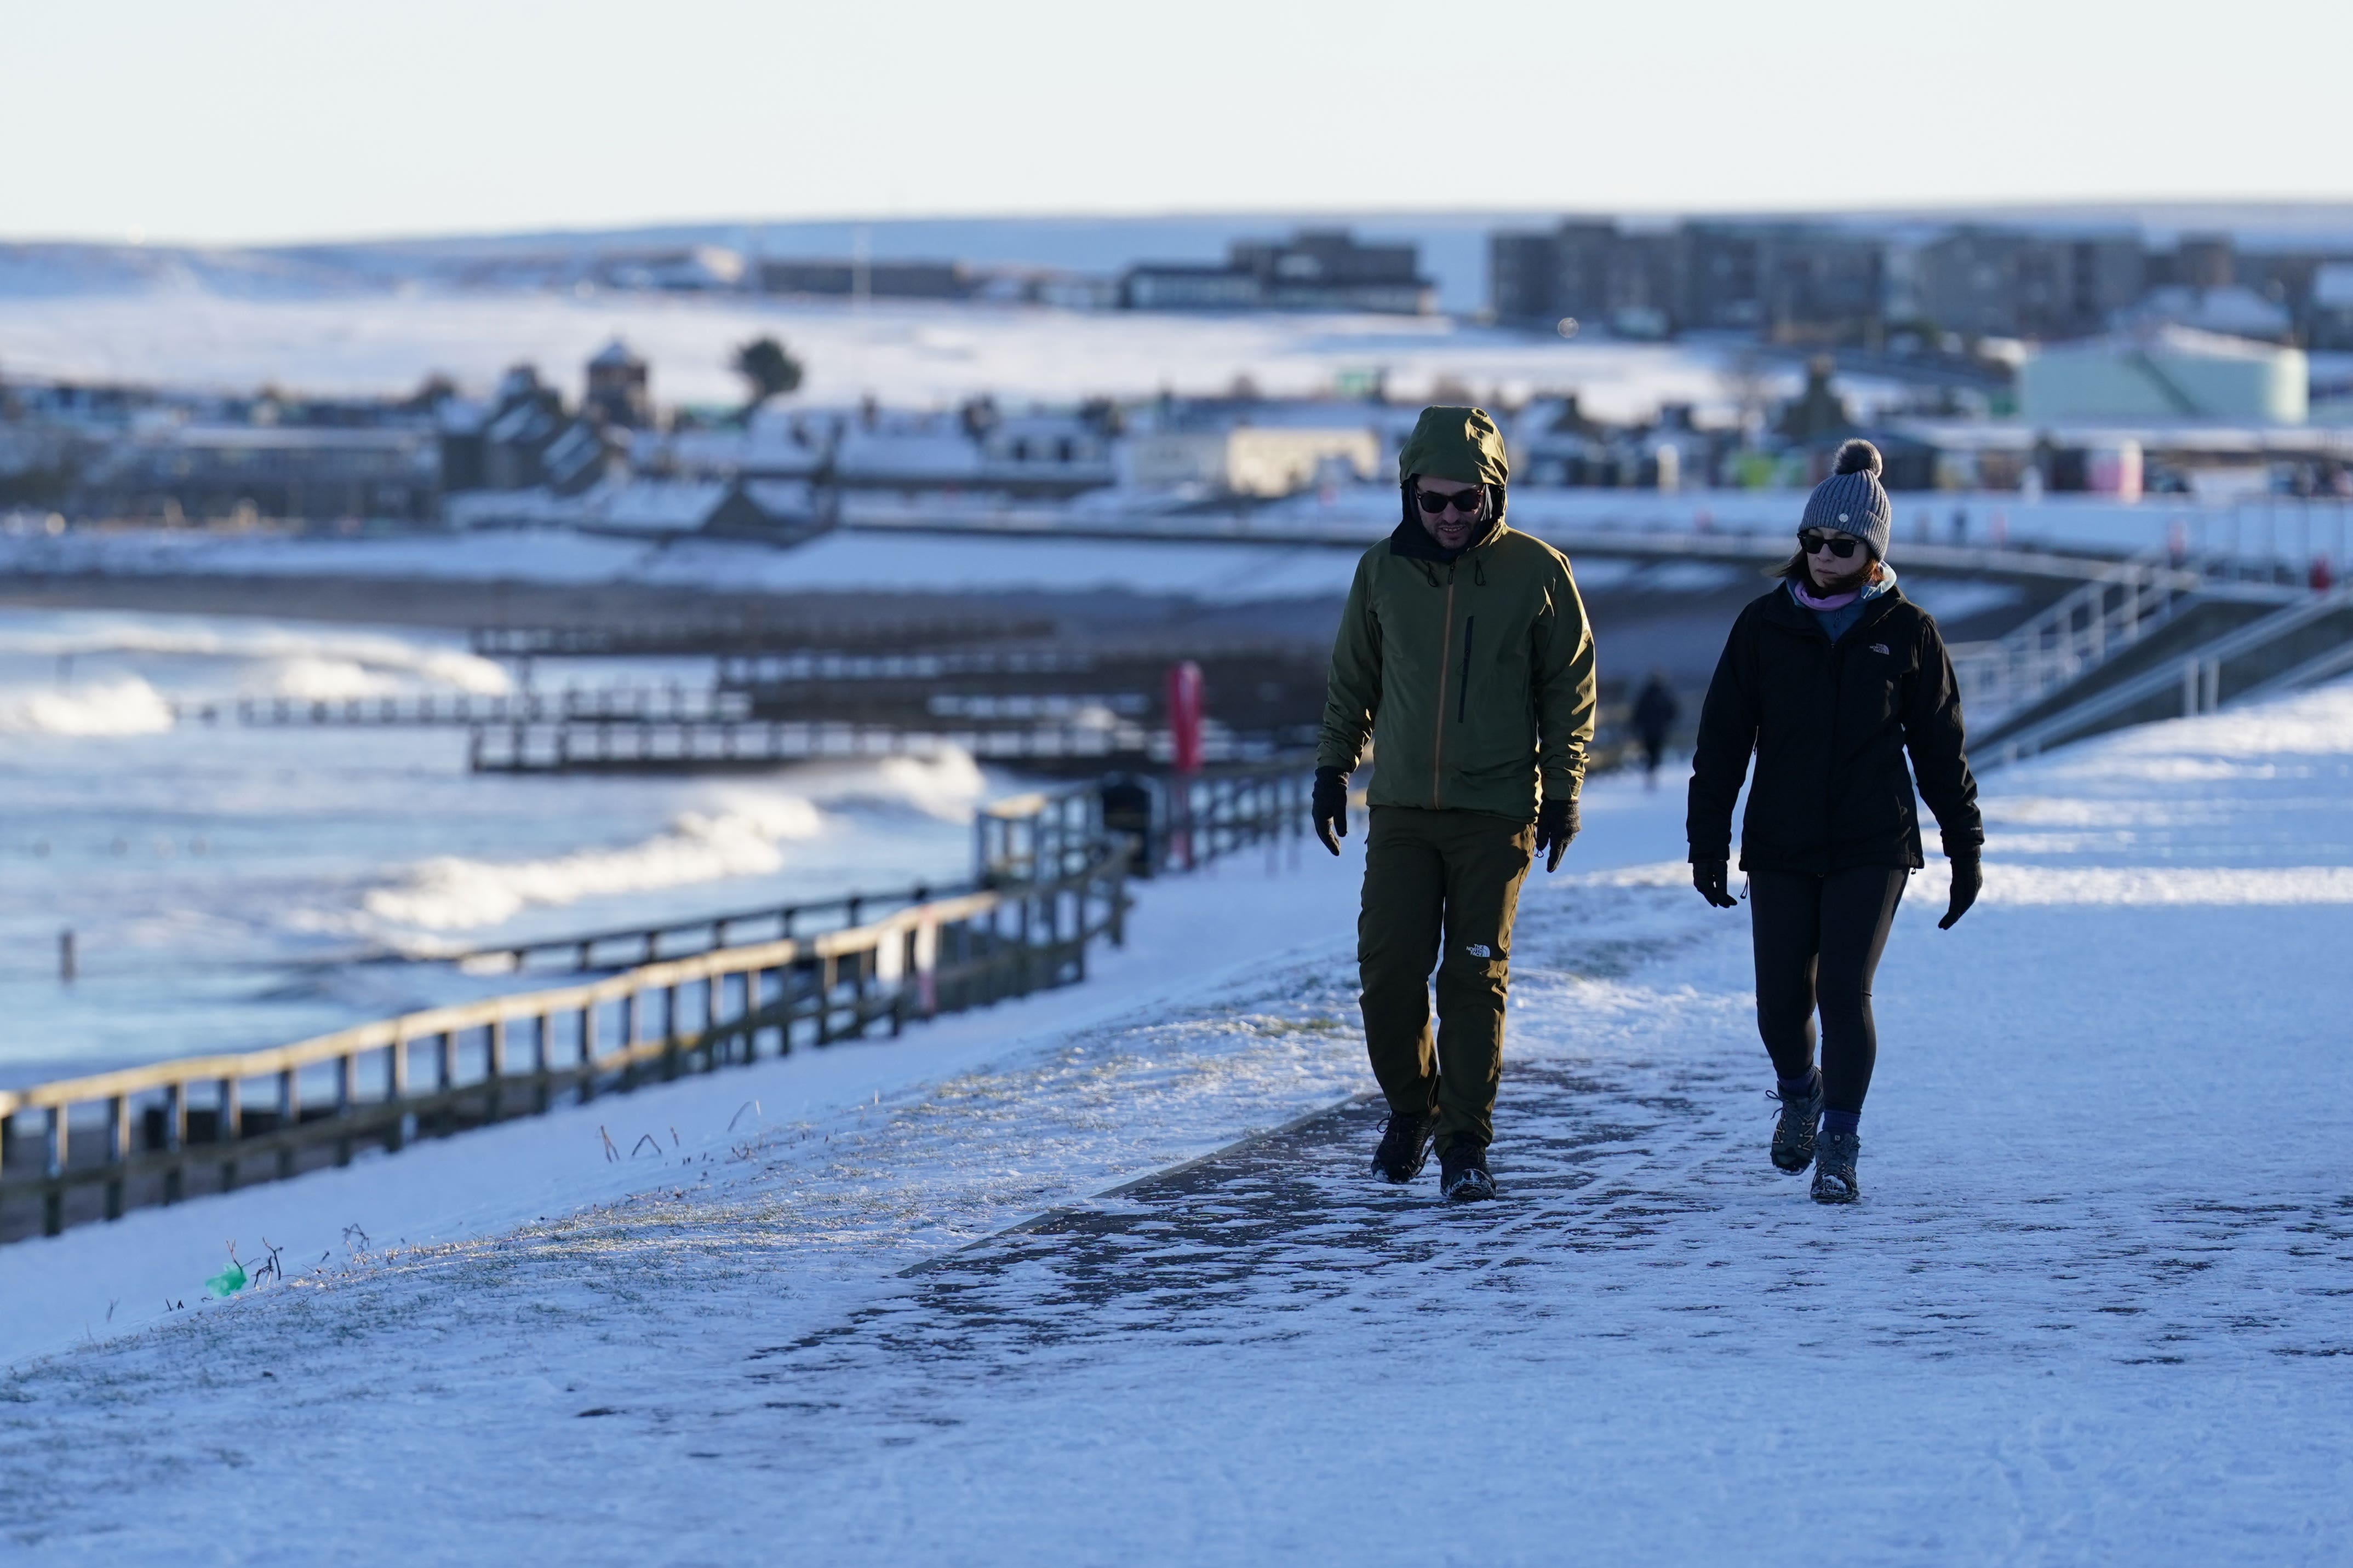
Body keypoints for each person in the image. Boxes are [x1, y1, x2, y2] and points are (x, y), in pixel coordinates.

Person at [1686, 439, 1982, 1204]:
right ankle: (1799, 1090)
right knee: (1779, 1001)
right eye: (1810, 541)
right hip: (1779, 842)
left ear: (1871, 550)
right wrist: (1706, 843)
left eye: (1839, 545)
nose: (1821, 555)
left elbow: (1940, 749)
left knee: (1843, 991)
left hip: (1870, 841)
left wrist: (1964, 847)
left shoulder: (1907, 631)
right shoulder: (1761, 626)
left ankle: (1839, 1143)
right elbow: (1720, 744)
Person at [1312, 406, 1596, 1201]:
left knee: (1473, 978)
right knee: (1388, 971)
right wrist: (1332, 768)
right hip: (1401, 809)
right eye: (1432, 501)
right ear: (1409, 494)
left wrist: (1562, 793)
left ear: (1493, 496)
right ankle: (1412, 1108)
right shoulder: (1379, 571)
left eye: (1464, 501)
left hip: (1495, 811)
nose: (1446, 516)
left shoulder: (1537, 573)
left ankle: (1464, 1141)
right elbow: (1352, 679)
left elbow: (1566, 693)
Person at [1630, 671, 1679, 788]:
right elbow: (1673, 711)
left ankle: (1651, 773)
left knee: (1651, 752)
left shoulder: (1646, 694)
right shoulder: (1664, 694)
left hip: (1649, 730)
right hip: (1659, 730)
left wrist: (1636, 726)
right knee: (1655, 752)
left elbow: (1638, 712)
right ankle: (1653, 772)